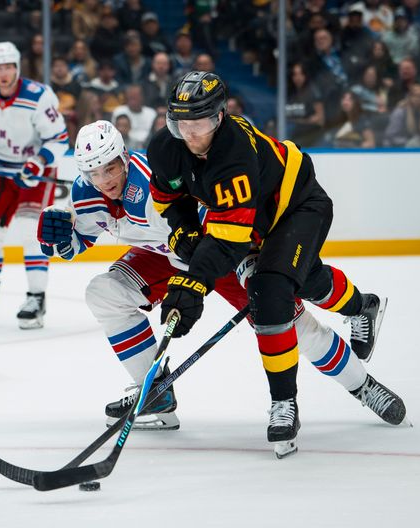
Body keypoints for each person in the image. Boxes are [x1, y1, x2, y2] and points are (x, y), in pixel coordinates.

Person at [38, 120, 407, 433]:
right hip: (165, 257)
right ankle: (155, 394)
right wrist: (54, 239)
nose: (104, 180)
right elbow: (77, 242)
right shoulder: (85, 193)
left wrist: (239, 270)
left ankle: (362, 386)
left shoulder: (150, 184)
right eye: (94, 172)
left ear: (123, 157)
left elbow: (220, 231)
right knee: (104, 293)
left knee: (287, 323)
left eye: (111, 168)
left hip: (216, 252)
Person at [147, 71, 391, 456]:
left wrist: (194, 282)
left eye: (202, 123)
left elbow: (229, 241)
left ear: (221, 116)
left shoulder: (234, 153)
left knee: (272, 289)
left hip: (297, 206)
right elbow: (168, 200)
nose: (191, 135)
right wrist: (186, 233)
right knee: (306, 279)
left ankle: (284, 403)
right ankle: (364, 306)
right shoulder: (164, 148)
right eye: (182, 124)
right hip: (246, 214)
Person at [0, 42, 69, 329]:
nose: (3, 73)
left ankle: (36, 298)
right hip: (1, 168)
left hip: (34, 171)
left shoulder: (38, 96)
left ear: (17, 68)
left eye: (8, 67)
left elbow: (59, 140)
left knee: (31, 231)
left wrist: (38, 163)